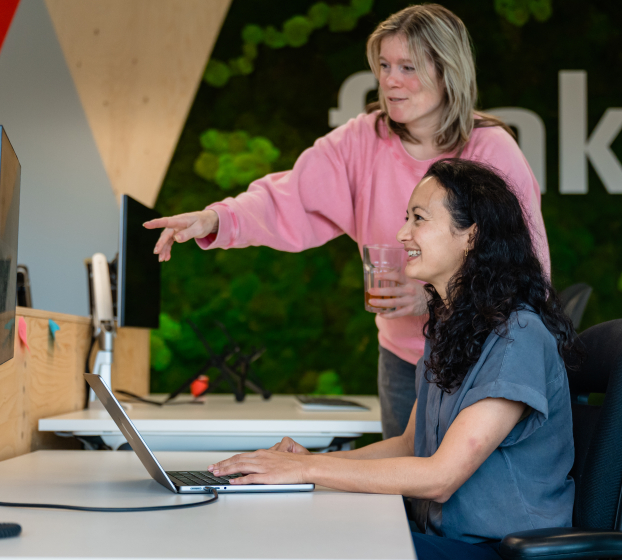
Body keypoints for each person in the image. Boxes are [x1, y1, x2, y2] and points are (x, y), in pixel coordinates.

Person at [144, 4, 549, 440]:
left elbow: (526, 275)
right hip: (402, 357)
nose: (390, 80)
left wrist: (435, 296)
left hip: (481, 357)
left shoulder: (492, 151)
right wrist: (215, 219)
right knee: (405, 498)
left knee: (462, 494)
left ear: (447, 70)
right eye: (384, 66)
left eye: (407, 67)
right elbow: (289, 195)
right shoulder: (363, 139)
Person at [207, 159, 577, 560]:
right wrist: (314, 463)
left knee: (314, 544)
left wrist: (306, 472)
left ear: (472, 235)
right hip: (447, 539)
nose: (402, 234)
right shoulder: (454, 327)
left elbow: (440, 477)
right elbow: (408, 445)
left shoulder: (517, 336)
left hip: (499, 552)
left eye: (419, 218)